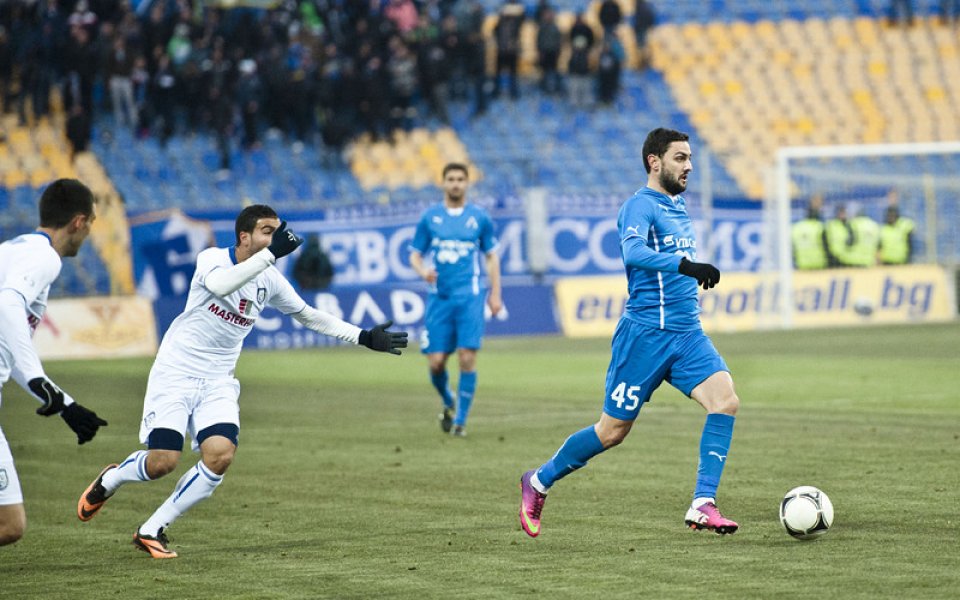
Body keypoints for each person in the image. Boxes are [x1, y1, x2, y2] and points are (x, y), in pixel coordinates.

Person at [76, 205, 407, 559]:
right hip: (175, 373)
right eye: (267, 231)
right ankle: (111, 479)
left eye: (277, 232)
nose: (275, 238)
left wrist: (364, 337)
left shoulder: (270, 279)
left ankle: (152, 528)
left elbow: (309, 316)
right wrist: (273, 253)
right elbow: (221, 285)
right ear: (244, 237)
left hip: (218, 380)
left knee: (220, 455)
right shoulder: (212, 260)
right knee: (162, 463)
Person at [518, 128, 739, 538]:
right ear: (655, 162)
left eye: (690, 157)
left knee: (725, 401)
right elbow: (633, 252)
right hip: (644, 337)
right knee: (612, 432)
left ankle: (702, 503)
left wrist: (689, 274)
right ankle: (537, 482)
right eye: (680, 158)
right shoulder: (639, 206)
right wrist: (688, 266)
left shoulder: (678, 206)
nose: (689, 165)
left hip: (687, 334)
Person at [0, 179, 109, 547]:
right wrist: (38, 380)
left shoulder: (13, 251)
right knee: (9, 525)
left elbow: (7, 350)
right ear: (79, 222)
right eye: (91, 223)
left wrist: (64, 403)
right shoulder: (44, 257)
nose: (89, 232)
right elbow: (7, 305)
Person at [409, 163, 502, 437]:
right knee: (436, 362)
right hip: (439, 299)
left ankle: (460, 421)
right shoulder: (430, 218)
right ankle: (449, 400)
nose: (456, 184)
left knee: (466, 357)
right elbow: (415, 253)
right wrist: (423, 271)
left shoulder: (479, 218)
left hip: (470, 297)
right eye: (451, 179)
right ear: (443, 183)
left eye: (461, 179)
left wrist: (496, 294)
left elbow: (491, 255)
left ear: (467, 183)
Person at [791, 198, 828, 270]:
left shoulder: (796, 227)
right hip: (820, 266)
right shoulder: (820, 227)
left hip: (801, 266)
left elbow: (793, 249)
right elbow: (826, 247)